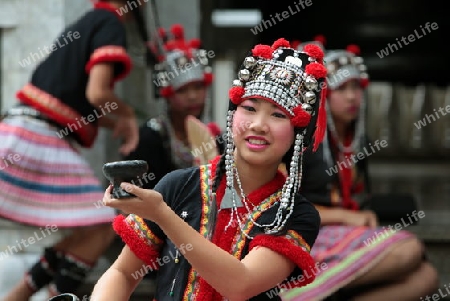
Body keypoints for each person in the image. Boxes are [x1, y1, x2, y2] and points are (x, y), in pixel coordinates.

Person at [87, 38, 328, 300]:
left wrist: (162, 215)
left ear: (298, 133)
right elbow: (122, 273)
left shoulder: (295, 215)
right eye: (249, 108)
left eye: (278, 115)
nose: (259, 124)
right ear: (232, 114)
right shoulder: (179, 186)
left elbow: (240, 284)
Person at [0, 0, 149, 299]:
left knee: (89, 228)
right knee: (106, 223)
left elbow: (78, 105)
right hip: (36, 138)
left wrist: (116, 123)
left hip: (23, 131)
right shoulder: (109, 23)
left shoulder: (89, 21)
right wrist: (128, 114)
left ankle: (15, 297)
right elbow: (97, 93)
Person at [280, 42, 439, 301]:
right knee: (408, 249)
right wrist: (345, 216)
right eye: (341, 89)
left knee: (427, 278)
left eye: (356, 87)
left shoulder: (357, 139)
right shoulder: (304, 141)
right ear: (322, 96)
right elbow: (281, 208)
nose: (352, 96)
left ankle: (328, 292)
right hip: (309, 235)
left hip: (341, 231)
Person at [124, 24, 223, 190]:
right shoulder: (151, 137)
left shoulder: (213, 137)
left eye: (198, 87)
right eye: (182, 90)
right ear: (168, 96)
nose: (192, 96)